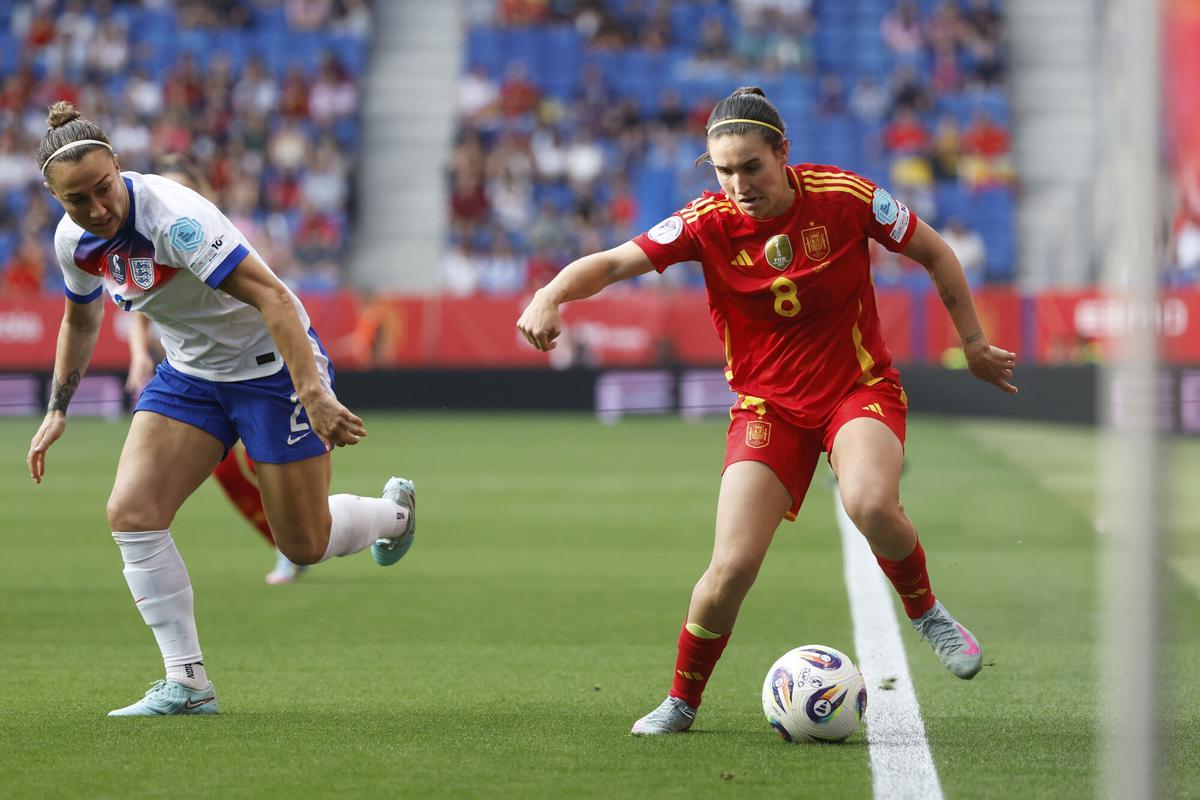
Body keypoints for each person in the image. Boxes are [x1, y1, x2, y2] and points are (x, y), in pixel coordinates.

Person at [517, 87, 1017, 736]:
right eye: (724, 170)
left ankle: (926, 613)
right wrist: (551, 293)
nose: (738, 183)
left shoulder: (845, 196)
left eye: (750, 166)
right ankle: (682, 701)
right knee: (729, 570)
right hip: (767, 408)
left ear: (783, 154)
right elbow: (615, 262)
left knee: (868, 502)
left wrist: (972, 343)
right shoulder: (706, 221)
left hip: (856, 388)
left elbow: (934, 252)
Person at [26, 102, 418, 717]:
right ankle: (186, 682)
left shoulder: (175, 219)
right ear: (56, 199)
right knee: (131, 511)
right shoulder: (74, 241)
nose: (97, 209)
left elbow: (277, 300)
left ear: (119, 167)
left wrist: (312, 392)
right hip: (188, 374)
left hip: (271, 370)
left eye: (103, 189)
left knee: (304, 542)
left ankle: (393, 514)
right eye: (78, 200)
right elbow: (80, 317)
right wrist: (58, 407)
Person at [125, 153, 307, 585]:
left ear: (202, 193)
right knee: (224, 471)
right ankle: (284, 546)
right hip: (198, 374)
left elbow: (268, 296)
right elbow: (138, 303)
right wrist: (138, 355)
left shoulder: (215, 235)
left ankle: (301, 536)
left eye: (183, 189)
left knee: (275, 474)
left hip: (256, 367)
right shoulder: (150, 239)